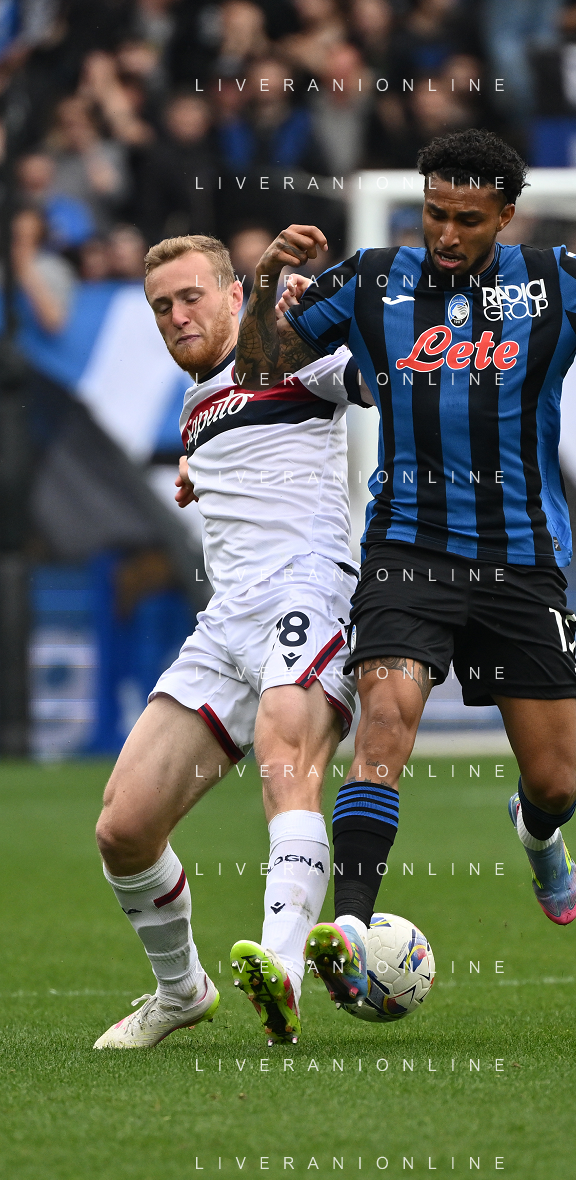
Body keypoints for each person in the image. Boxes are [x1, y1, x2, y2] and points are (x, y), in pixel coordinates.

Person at [233, 128, 576, 1007]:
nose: (446, 233)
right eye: (434, 213)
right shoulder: (370, 280)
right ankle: (351, 929)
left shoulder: (553, 280)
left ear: (506, 215)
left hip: (520, 562)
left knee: (555, 781)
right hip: (406, 550)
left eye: (468, 219)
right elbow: (260, 369)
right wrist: (263, 285)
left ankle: (538, 833)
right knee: (384, 725)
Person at [92, 234, 370, 1048]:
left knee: (287, 759)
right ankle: (182, 990)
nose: (177, 316)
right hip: (225, 627)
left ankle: (281, 964)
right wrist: (196, 470)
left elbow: (372, 379)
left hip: (308, 593)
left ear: (234, 294)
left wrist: (350, 318)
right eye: (161, 307)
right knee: (123, 828)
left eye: (191, 297)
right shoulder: (195, 408)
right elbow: (232, 452)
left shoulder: (290, 352)